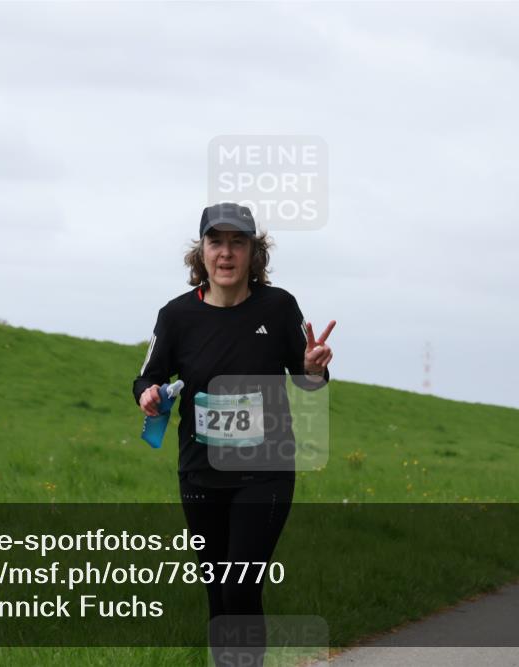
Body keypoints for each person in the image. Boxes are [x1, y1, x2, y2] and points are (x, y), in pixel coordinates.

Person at [132, 202, 335, 666]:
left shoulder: (278, 307)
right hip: (200, 474)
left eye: (237, 243)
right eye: (216, 242)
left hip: (265, 474)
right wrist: (147, 395)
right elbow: (147, 378)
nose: (226, 253)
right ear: (200, 252)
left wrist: (311, 368)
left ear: (253, 253)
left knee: (239, 585)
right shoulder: (176, 316)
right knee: (218, 592)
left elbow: (308, 381)